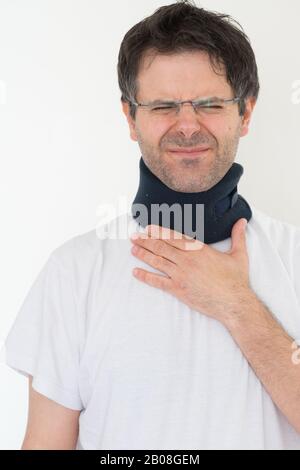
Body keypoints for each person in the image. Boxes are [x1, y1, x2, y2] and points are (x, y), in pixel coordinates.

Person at [3, 0, 300, 450]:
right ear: (130, 117)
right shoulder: (74, 273)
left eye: (210, 104)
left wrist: (236, 305)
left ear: (246, 113)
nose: (187, 125)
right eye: (163, 105)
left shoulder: (294, 258)